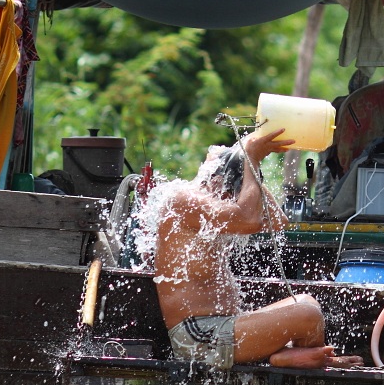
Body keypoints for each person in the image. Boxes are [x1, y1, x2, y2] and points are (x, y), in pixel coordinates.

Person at [154, 128, 364, 370]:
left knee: (307, 302)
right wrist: (251, 159)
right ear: (215, 179)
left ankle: (299, 358)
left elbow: (277, 220)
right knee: (308, 315)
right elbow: (250, 220)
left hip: (224, 326)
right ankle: (298, 359)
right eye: (231, 192)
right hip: (199, 337)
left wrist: (247, 163)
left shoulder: (214, 204)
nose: (230, 199)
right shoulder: (184, 201)